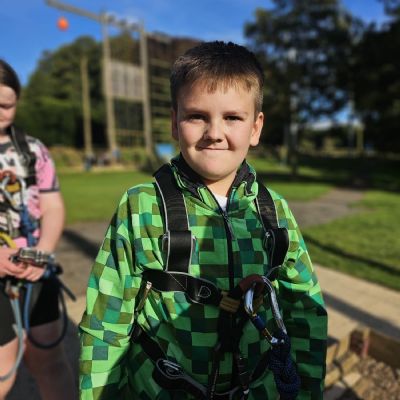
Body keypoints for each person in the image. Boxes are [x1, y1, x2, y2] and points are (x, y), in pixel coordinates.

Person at [79, 41, 327, 399]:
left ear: (255, 128)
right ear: (174, 123)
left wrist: (305, 391)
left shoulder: (275, 211)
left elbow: (305, 311)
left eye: (232, 118)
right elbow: (105, 325)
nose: (214, 132)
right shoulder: (142, 207)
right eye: (197, 116)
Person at [0, 59, 76, 399]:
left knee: (50, 361)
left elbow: (52, 206)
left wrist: (43, 251)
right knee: (3, 370)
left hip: (34, 270)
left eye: (6, 105)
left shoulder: (33, 150)